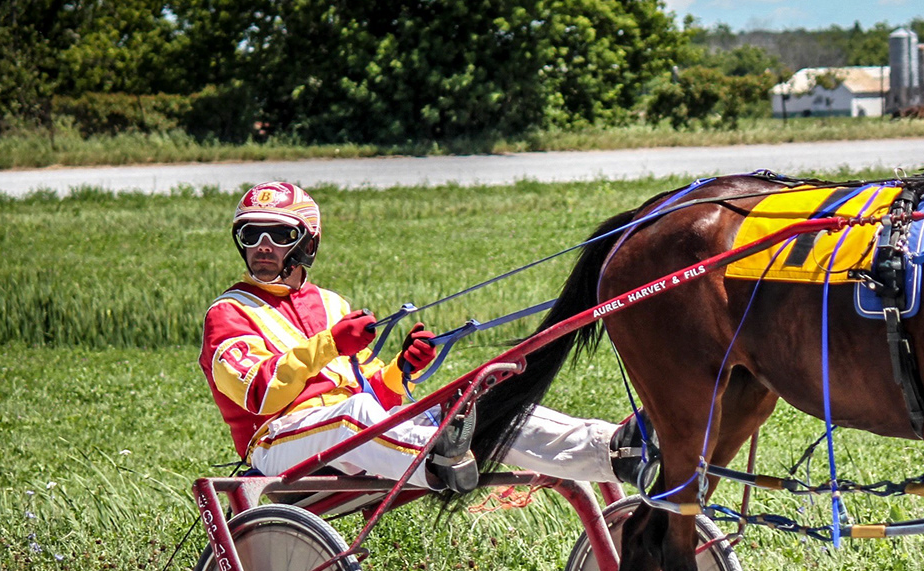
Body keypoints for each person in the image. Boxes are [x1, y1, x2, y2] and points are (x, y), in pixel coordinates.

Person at [201, 181, 631, 490]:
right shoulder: (228, 313)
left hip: (353, 433)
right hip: (278, 442)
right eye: (251, 234)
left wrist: (401, 369)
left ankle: (616, 451)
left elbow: (376, 394)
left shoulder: (331, 304)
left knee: (481, 406)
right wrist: (331, 344)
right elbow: (259, 394)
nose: (263, 245)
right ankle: (440, 454)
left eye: (280, 234)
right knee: (354, 414)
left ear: (307, 244)